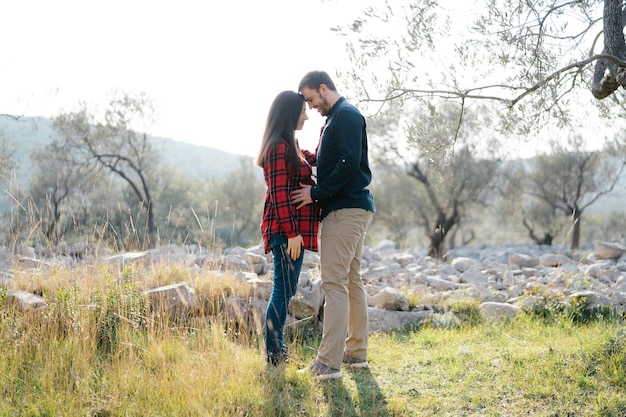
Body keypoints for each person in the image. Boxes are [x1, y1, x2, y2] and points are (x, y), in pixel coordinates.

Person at [292, 71, 375, 380]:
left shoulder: (347, 116)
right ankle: (356, 354)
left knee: (334, 283)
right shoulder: (337, 119)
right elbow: (332, 160)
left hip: (345, 210)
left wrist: (315, 193)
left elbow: (349, 162)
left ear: (323, 89)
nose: (311, 107)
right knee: (351, 281)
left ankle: (328, 363)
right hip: (351, 208)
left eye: (312, 99)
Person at [256, 90, 319, 366]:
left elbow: (312, 159)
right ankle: (274, 355)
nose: (306, 115)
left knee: (286, 290)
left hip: (293, 231)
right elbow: (280, 195)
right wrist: (293, 234)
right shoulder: (278, 148)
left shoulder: (290, 143)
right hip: (286, 231)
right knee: (282, 291)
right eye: (303, 111)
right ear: (289, 113)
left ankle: (277, 352)